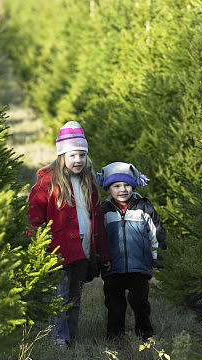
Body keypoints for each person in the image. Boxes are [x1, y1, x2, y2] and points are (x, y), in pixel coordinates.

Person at [27, 121, 109, 348]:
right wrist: (39, 248)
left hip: (83, 249)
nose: (78, 160)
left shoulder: (88, 181)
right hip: (58, 250)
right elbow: (33, 220)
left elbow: (96, 215)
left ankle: (70, 337)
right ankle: (57, 339)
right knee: (59, 295)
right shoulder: (47, 184)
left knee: (75, 295)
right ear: (62, 155)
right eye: (73, 155)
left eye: (82, 155)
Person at [97, 162, 166, 341]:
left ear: (133, 186)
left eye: (127, 185)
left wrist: (157, 258)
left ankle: (145, 334)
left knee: (140, 302)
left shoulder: (143, 207)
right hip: (113, 268)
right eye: (117, 186)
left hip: (139, 267)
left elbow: (156, 233)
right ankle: (115, 337)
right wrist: (100, 260)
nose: (123, 190)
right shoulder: (104, 211)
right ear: (108, 189)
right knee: (114, 304)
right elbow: (99, 238)